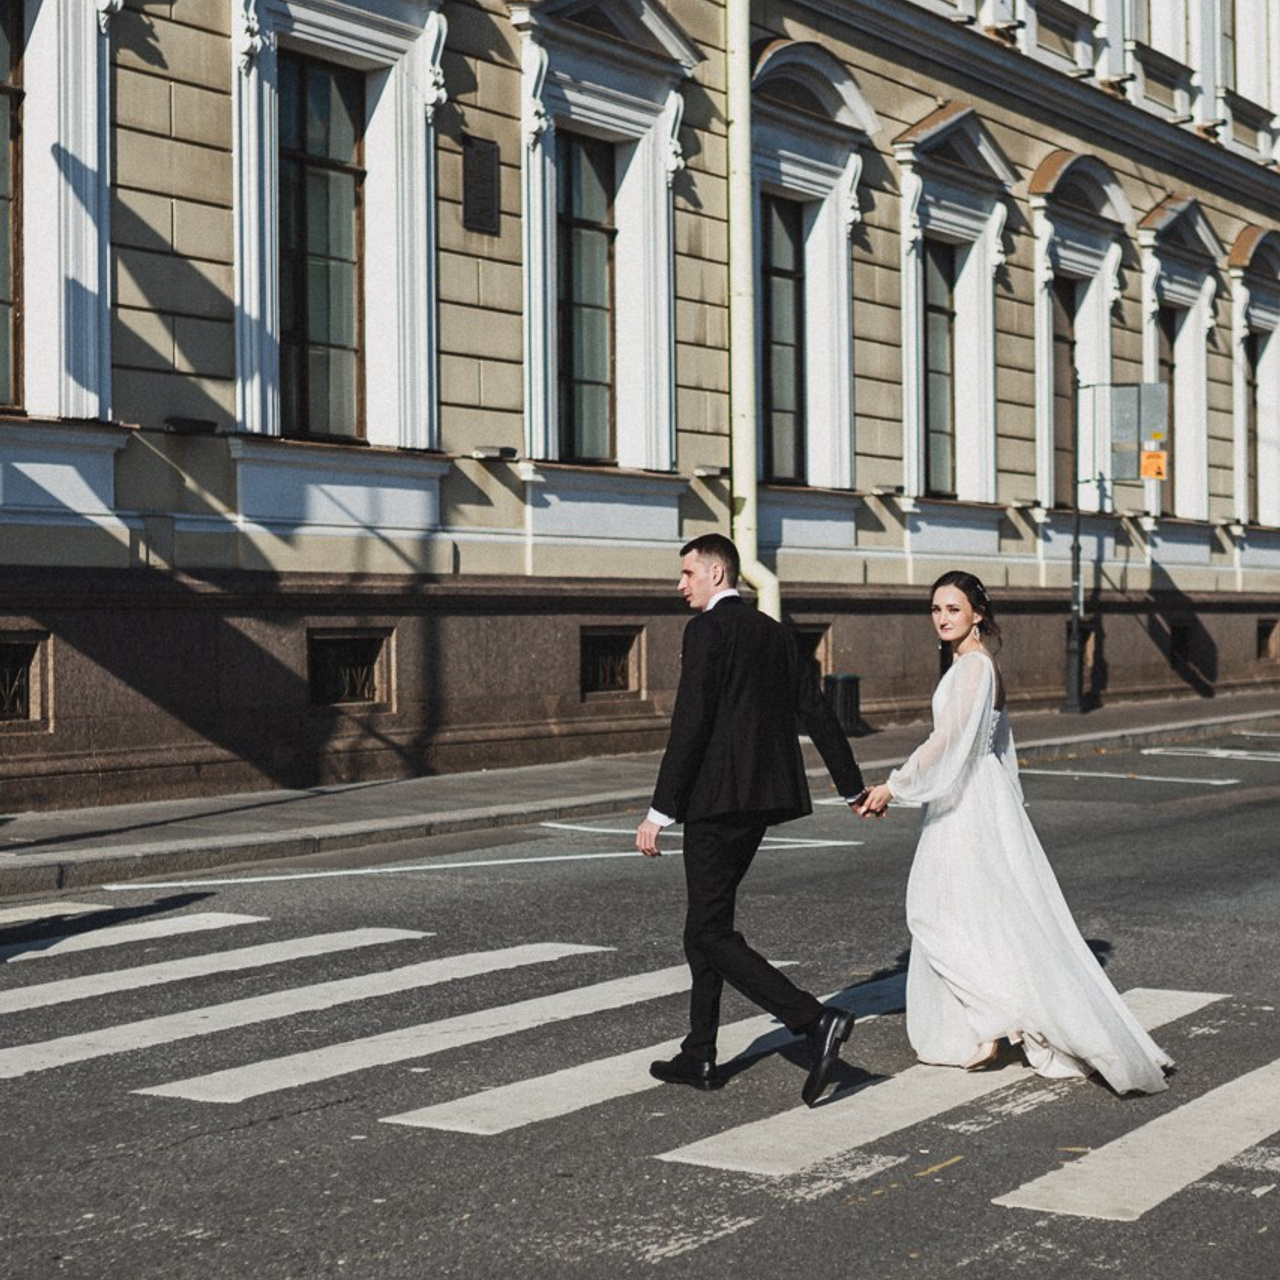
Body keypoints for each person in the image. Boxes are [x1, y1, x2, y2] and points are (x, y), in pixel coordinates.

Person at [857, 571, 1172, 1094]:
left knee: (931, 910)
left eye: (953, 609)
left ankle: (994, 1017)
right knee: (979, 913)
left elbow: (947, 742)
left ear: (977, 614)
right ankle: (984, 1028)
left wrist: (894, 786)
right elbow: (999, 746)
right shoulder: (979, 666)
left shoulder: (972, 668)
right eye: (936, 609)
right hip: (981, 797)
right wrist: (1005, 805)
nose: (941, 618)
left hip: (966, 802)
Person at [635, 534, 868, 1107]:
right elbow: (816, 711)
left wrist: (659, 810)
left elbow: (690, 725)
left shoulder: (707, 631)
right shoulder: (775, 633)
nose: (680, 583)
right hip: (762, 800)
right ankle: (701, 1053)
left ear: (717, 574)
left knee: (711, 930)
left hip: (715, 801)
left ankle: (813, 1020)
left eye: (688, 572)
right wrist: (851, 785)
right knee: (704, 927)